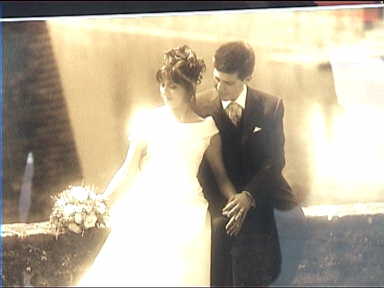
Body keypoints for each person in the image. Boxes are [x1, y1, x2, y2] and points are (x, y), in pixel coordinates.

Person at [77, 45, 239, 287]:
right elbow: (129, 169)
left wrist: (237, 201)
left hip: (189, 212)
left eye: (173, 86)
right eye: (163, 84)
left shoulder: (207, 129)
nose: (166, 91)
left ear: (189, 88)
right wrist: (101, 203)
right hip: (148, 204)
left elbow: (221, 176)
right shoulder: (149, 120)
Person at [196, 41, 300, 287]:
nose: (220, 88)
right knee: (225, 233)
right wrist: (231, 198)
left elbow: (275, 160)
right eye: (216, 80)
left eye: (228, 83)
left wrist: (249, 195)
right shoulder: (199, 106)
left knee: (295, 222)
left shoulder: (270, 106)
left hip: (261, 187)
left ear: (248, 77)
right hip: (219, 189)